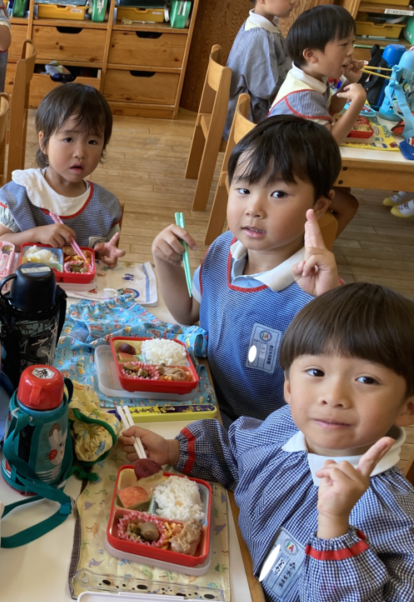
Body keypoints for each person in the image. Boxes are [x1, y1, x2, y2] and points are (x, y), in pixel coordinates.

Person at [121, 282, 414, 602]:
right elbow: (234, 453)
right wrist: (173, 450)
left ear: (410, 406)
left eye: (366, 380)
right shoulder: (288, 425)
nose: (333, 396)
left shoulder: (388, 510)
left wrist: (334, 527)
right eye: (315, 371)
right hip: (229, 594)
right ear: (288, 385)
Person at [151, 115, 340, 423]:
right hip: (203, 400)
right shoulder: (225, 247)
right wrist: (165, 263)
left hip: (260, 434)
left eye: (278, 194)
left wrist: (330, 302)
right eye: (243, 189)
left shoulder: (317, 290)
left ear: (319, 205)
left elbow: (338, 378)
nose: (254, 208)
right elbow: (187, 312)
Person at [0, 84, 124, 267]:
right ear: (43, 142)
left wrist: (104, 256)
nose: (80, 152)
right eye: (68, 139)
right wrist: (36, 234)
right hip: (26, 287)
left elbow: (105, 255)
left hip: (78, 293)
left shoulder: (105, 206)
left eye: (92, 141)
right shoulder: (21, 193)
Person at [269, 4, 363, 233]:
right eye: (343, 45)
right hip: (281, 176)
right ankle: (309, 250)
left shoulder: (308, 75)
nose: (351, 51)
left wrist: (349, 84)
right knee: (349, 205)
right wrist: (357, 102)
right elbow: (330, 142)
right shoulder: (303, 96)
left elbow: (327, 109)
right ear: (311, 55)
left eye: (352, 42)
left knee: (343, 188)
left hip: (290, 162)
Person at [223, 0, 295, 137]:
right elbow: (266, 88)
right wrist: (290, 62)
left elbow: (288, 54)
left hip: (251, 113)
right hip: (247, 121)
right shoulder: (259, 36)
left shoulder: (263, 26)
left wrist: (287, 60)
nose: (294, 2)